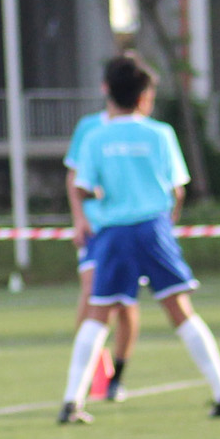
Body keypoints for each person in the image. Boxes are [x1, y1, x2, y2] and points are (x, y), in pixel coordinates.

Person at [58, 53, 220, 424]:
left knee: (98, 314)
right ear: (144, 97)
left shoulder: (95, 136)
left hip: (112, 234)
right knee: (180, 310)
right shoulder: (160, 133)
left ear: (108, 94)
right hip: (152, 228)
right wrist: (166, 222)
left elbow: (82, 186)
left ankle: (72, 401)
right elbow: (178, 189)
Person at [65, 95, 139, 402]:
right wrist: (79, 218)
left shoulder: (146, 130)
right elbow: (75, 178)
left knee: (125, 305)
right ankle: (81, 384)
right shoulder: (90, 128)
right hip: (99, 229)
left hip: (132, 228)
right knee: (92, 295)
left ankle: (116, 377)